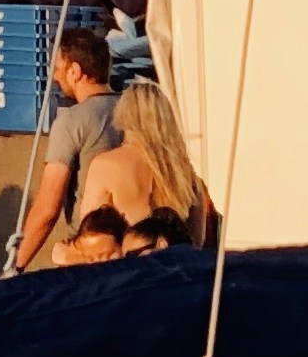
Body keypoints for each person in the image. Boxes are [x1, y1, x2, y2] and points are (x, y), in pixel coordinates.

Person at [8, 27, 122, 275]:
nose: (55, 75)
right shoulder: (136, 112)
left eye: (59, 67)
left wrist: (14, 267)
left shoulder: (72, 122)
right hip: (133, 251)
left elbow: (47, 208)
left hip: (90, 254)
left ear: (75, 71)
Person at [75, 78, 215, 253]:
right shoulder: (188, 173)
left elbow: (88, 239)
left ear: (123, 115)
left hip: (129, 271)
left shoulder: (105, 165)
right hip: (176, 271)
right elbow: (198, 241)